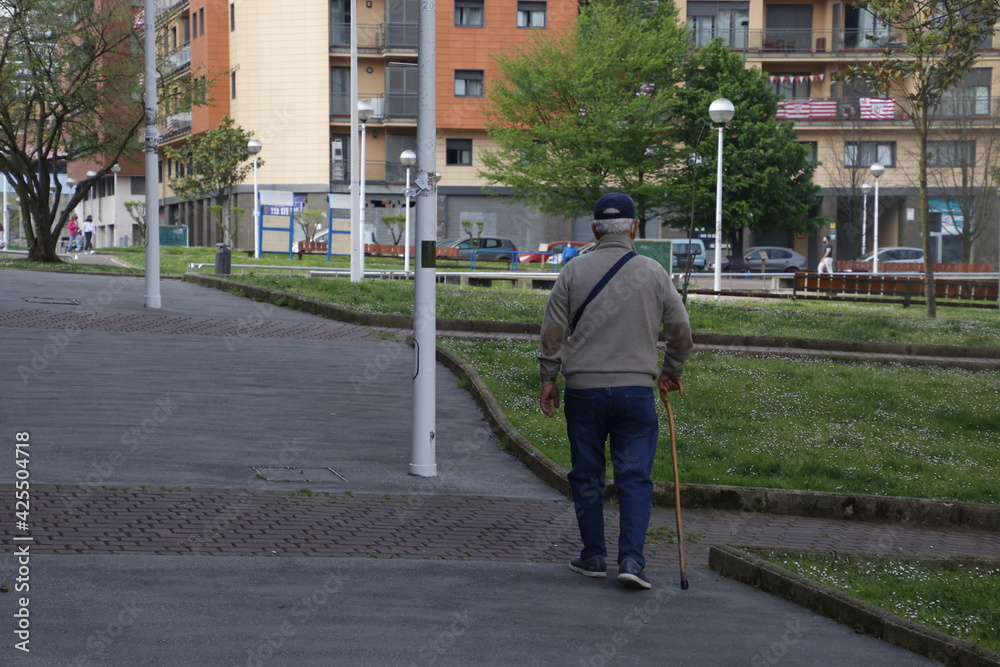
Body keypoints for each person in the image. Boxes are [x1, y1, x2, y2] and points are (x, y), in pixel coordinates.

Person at [537, 192, 693, 590]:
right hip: (635, 393)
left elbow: (553, 332)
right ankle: (631, 561)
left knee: (586, 474)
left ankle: (592, 555)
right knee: (635, 477)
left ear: (594, 229)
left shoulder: (572, 272)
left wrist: (548, 378)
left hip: (584, 391)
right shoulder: (654, 272)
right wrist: (669, 371)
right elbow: (681, 333)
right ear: (635, 228)